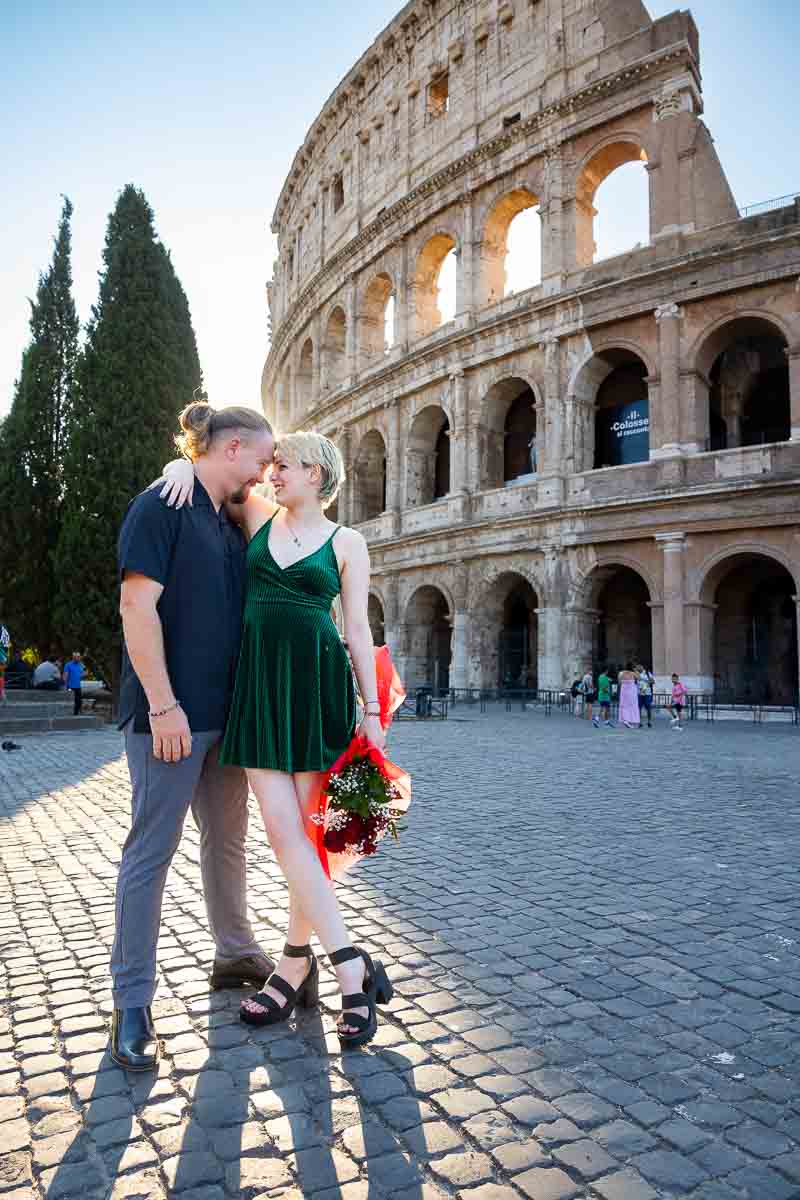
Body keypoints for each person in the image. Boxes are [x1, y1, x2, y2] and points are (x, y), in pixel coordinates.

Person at [158, 425, 394, 1049]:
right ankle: (352, 966)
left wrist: (371, 709)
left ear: (315, 474)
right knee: (283, 833)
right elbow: (211, 476)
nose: (272, 472)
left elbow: (359, 632)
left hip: (318, 692)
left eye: (284, 464)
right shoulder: (256, 512)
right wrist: (180, 468)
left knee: (309, 842)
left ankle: (294, 963)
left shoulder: (348, 542)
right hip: (260, 690)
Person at [110, 403, 276, 1072]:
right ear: (232, 447)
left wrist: (197, 467)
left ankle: (234, 951)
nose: (265, 472)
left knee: (227, 842)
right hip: (171, 718)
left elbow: (276, 526)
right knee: (151, 851)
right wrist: (162, 704)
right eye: (261, 460)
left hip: (227, 718)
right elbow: (135, 606)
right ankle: (131, 1002)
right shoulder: (160, 505)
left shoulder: (228, 514)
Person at [617, 661, 640, 728]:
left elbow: (619, 682)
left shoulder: (621, 673)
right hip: (631, 690)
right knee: (632, 705)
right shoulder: (633, 673)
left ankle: (625, 719)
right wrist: (636, 671)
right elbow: (639, 678)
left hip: (623, 690)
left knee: (624, 705)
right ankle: (630, 720)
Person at [63, 651, 86, 715]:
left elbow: (84, 672)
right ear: (73, 657)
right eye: (76, 657)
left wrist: (83, 674)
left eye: (79, 657)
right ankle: (70, 713)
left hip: (78, 686)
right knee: (71, 700)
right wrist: (65, 685)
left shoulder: (81, 664)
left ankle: (76, 713)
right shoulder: (68, 665)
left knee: (79, 701)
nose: (78, 658)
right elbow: (65, 675)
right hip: (70, 686)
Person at [636, 664, 655, 729]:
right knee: (639, 708)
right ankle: (639, 722)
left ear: (642, 667)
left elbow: (652, 681)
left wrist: (643, 679)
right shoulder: (636, 674)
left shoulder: (647, 673)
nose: (637, 668)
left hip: (647, 693)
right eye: (636, 667)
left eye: (638, 667)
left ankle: (649, 722)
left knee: (648, 708)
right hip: (639, 693)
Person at [0, 622, 9, 703]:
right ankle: (2, 693)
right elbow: (6, 646)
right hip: (2, 656)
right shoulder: (5, 631)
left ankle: (2, 693)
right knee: (1, 675)